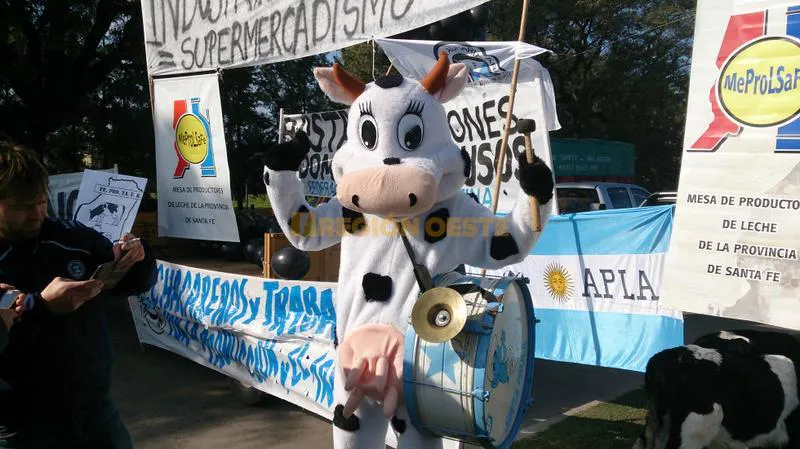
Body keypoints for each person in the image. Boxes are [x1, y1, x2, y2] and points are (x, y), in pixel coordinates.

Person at [0, 140, 156, 448]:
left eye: (41, 201)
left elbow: (131, 283)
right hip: (24, 426)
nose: (36, 214)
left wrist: (137, 258)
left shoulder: (72, 237)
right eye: (21, 207)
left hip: (95, 411)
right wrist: (43, 306)